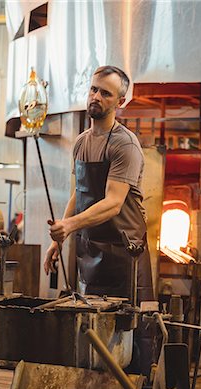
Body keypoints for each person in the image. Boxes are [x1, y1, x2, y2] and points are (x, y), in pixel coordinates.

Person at [44, 65, 154, 306]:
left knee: (132, 338)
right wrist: (58, 239)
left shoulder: (125, 145)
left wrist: (69, 226)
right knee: (91, 332)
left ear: (120, 102)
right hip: (93, 254)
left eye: (106, 93)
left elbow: (114, 204)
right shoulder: (81, 142)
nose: (96, 97)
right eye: (94, 89)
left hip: (125, 257)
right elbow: (79, 192)